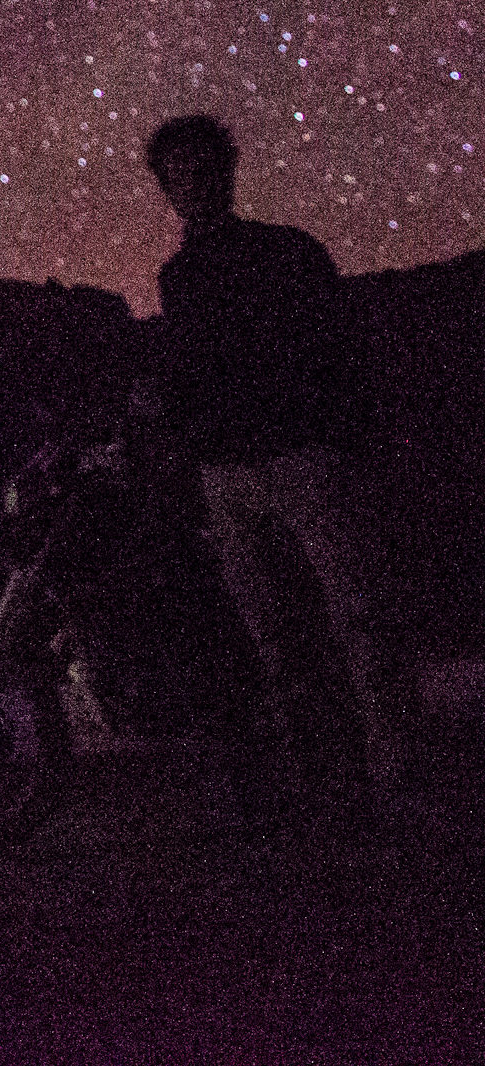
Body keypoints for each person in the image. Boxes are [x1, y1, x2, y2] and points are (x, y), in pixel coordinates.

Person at [142, 114, 411, 830]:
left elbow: (336, 350)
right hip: (228, 477)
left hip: (302, 460)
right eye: (179, 173)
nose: (194, 183)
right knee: (280, 640)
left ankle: (396, 784)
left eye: (203, 168)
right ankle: (327, 786)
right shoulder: (180, 277)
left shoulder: (286, 253)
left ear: (227, 172)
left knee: (360, 623)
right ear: (167, 187)